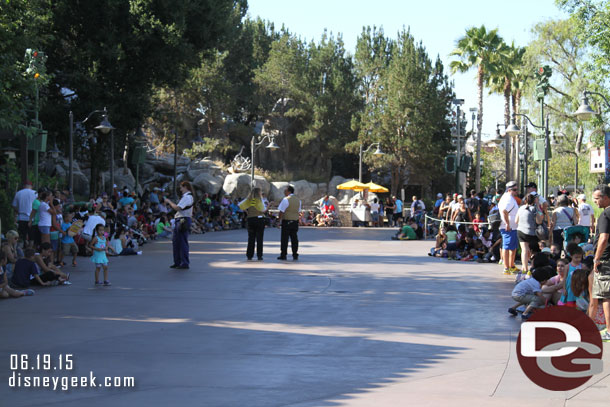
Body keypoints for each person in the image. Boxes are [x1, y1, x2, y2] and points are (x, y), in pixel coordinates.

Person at [591, 185, 610, 341]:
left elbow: (603, 238)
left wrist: (597, 258)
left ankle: (609, 330)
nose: (594, 201)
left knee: (606, 295)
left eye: (597, 198)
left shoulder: (605, 215)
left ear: (606, 197)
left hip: (606, 260)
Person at [165, 181, 194, 269]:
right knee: (176, 242)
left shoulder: (187, 197)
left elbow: (178, 208)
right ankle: (178, 261)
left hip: (182, 219)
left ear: (185, 187)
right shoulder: (187, 197)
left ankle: (184, 262)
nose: (180, 189)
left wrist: (169, 202)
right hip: (181, 219)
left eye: (181, 187)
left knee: (182, 242)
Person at [515, 193, 543, 274]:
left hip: (520, 231)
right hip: (531, 232)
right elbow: (539, 221)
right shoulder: (534, 209)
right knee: (532, 251)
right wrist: (538, 207)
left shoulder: (520, 208)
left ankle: (524, 268)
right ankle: (532, 267)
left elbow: (516, 221)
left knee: (524, 249)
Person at [239, 187, 267, 261]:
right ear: (258, 193)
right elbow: (263, 211)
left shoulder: (249, 200)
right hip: (259, 219)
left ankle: (249, 255)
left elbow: (240, 205)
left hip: (250, 219)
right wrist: (269, 205)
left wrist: (247, 212)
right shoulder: (258, 201)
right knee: (259, 238)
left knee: (251, 238)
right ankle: (259, 255)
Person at [499, 181, 519, 274]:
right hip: (508, 227)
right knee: (507, 246)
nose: (516, 191)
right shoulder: (508, 199)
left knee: (512, 247)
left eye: (516, 189)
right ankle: (506, 267)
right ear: (509, 190)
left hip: (512, 227)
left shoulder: (510, 198)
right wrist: (507, 223)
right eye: (514, 190)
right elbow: (504, 211)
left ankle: (511, 265)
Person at [277, 185, 301, 261]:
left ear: (289, 191)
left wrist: (279, 221)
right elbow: (298, 211)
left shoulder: (286, 199)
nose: (284, 192)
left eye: (285, 191)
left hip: (287, 221)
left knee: (284, 239)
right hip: (295, 221)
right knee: (294, 238)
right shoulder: (298, 200)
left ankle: (283, 254)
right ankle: (295, 254)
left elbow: (281, 211)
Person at [12, 180, 37, 245]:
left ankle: (22, 248)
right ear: (31, 186)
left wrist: (19, 211)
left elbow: (14, 206)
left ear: (23, 186)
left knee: (22, 235)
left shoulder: (18, 193)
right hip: (32, 218)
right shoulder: (35, 193)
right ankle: (30, 249)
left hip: (21, 217)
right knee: (32, 236)